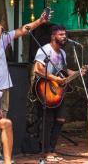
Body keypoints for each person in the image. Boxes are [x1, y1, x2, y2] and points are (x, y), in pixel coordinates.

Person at [0, 10, 49, 161]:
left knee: (2, 119)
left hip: (3, 85)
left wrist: (39, 21)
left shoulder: (1, 37)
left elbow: (22, 30)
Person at [33, 25, 82, 162]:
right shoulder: (44, 50)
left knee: (60, 119)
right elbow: (38, 69)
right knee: (48, 121)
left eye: (64, 34)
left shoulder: (62, 53)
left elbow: (64, 71)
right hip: (46, 89)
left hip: (58, 92)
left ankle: (52, 149)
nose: (64, 37)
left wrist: (78, 72)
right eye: (61, 34)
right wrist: (55, 79)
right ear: (53, 36)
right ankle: (46, 151)